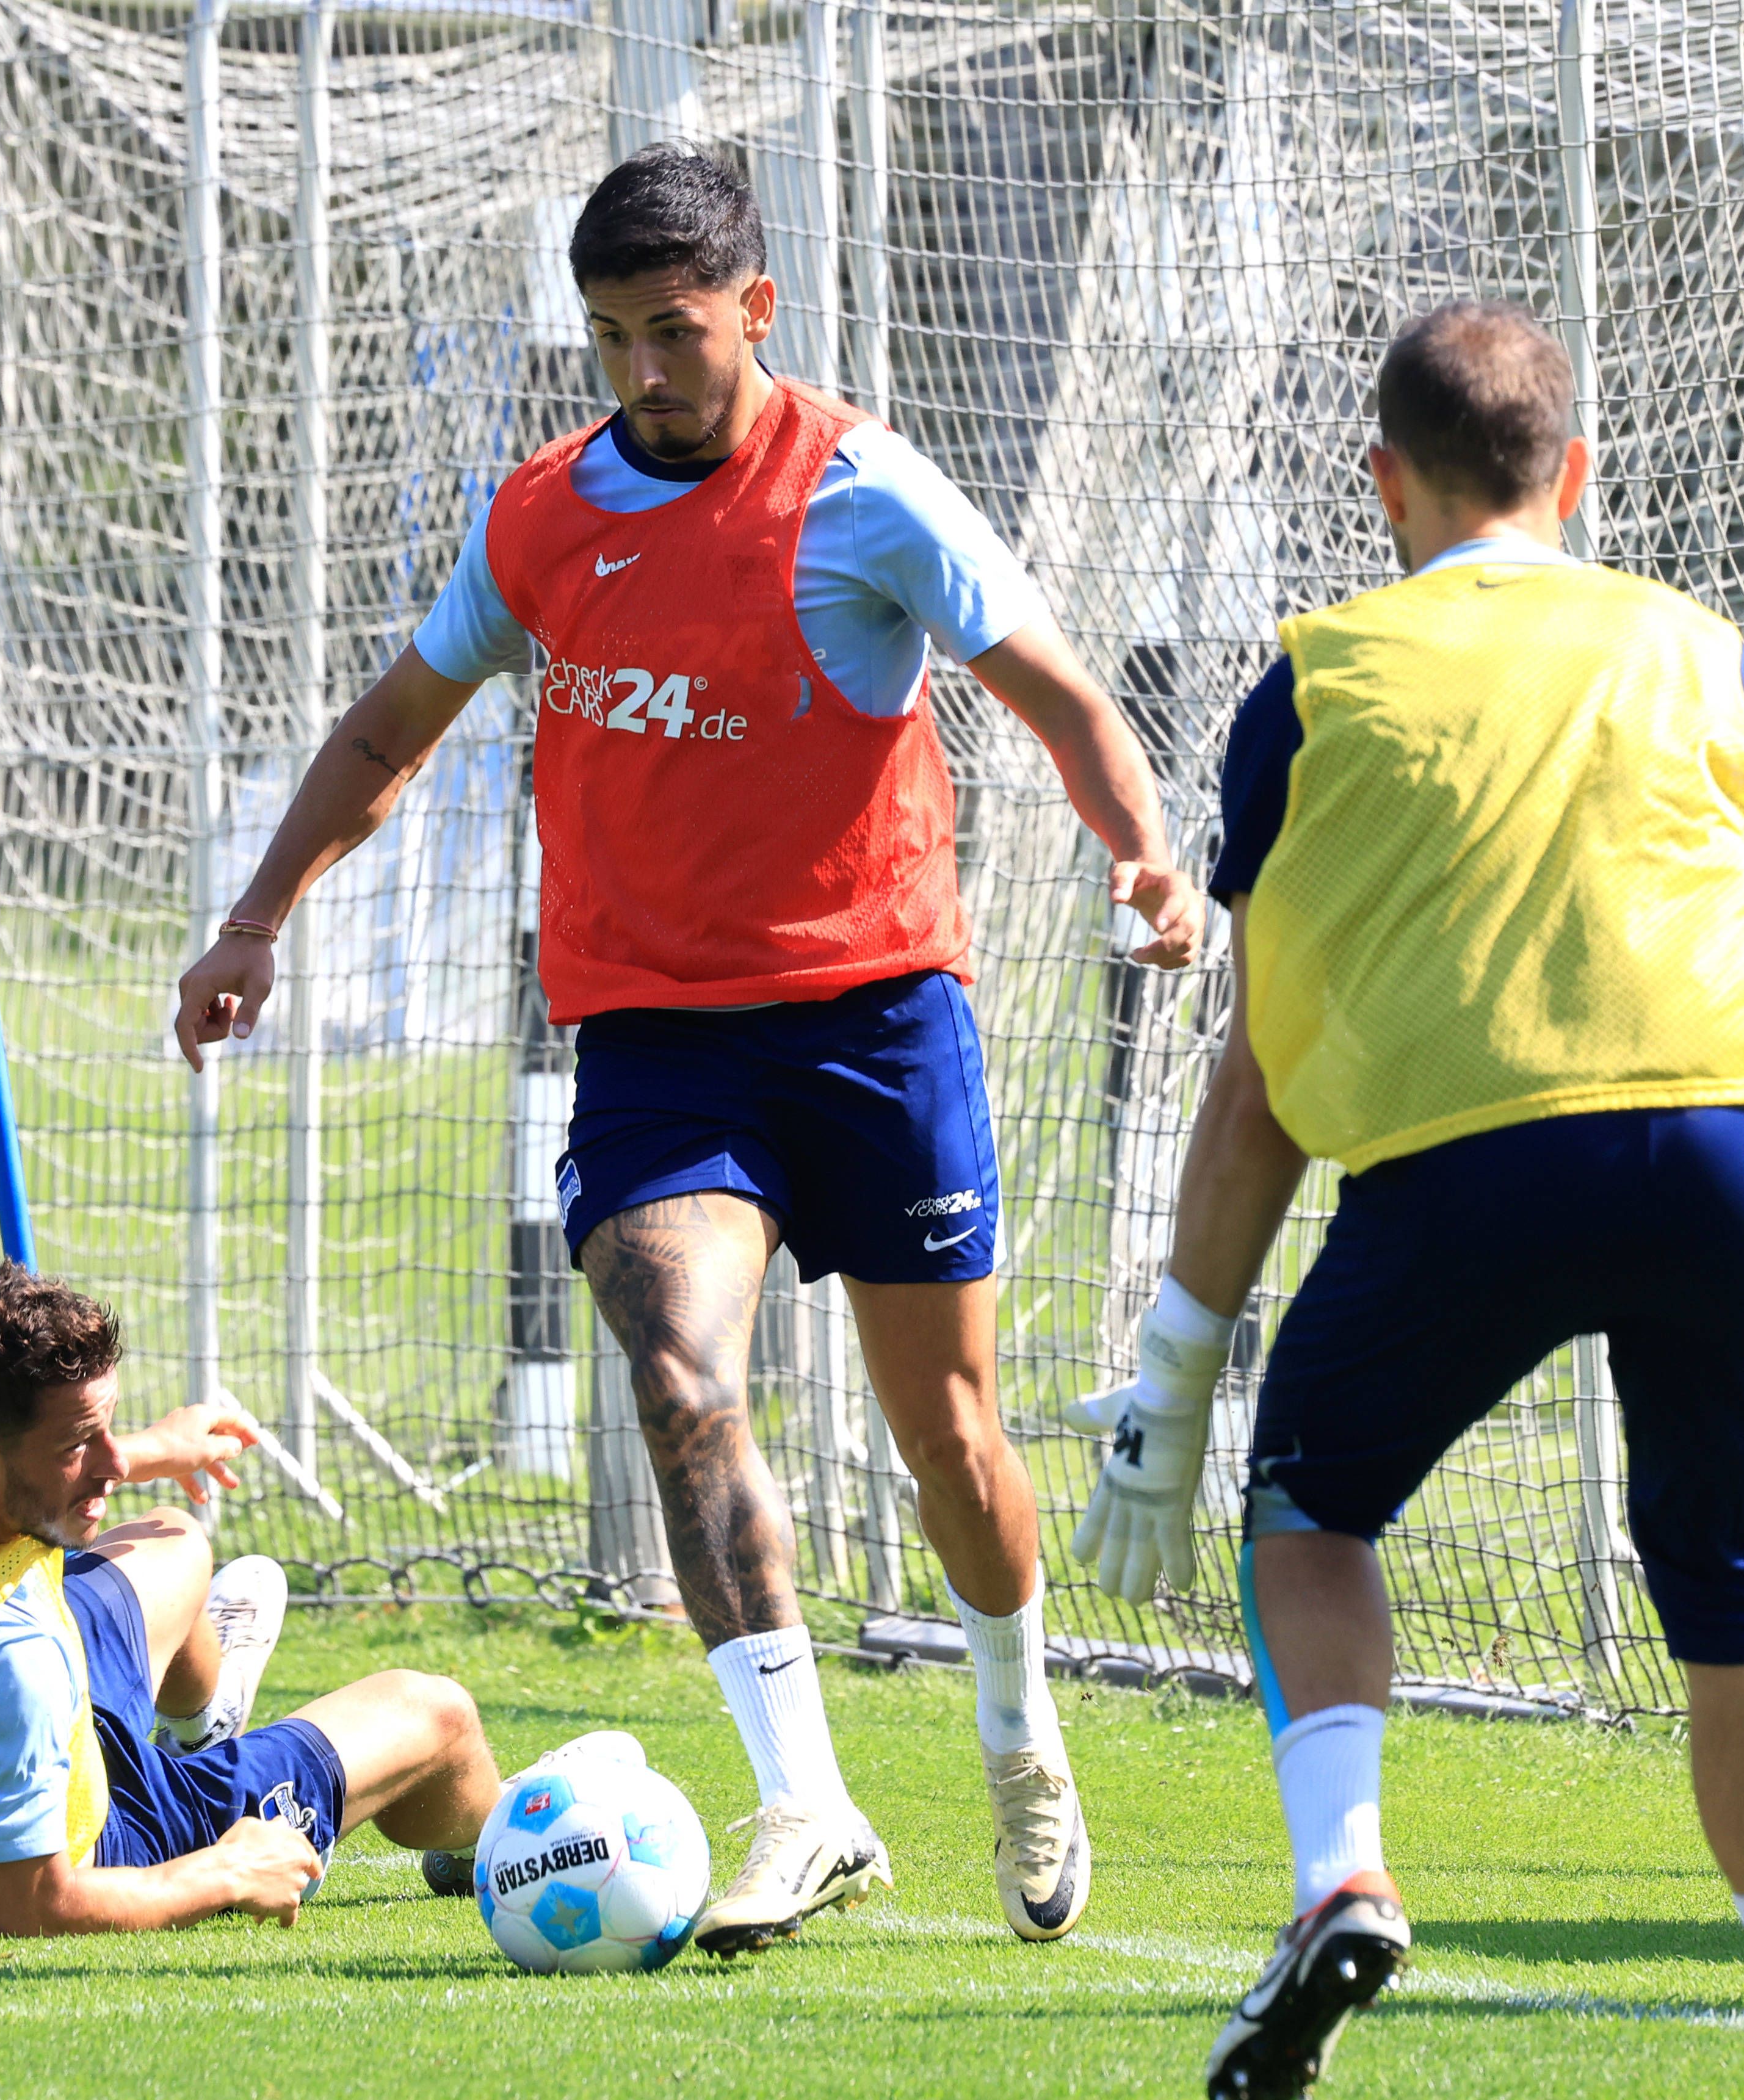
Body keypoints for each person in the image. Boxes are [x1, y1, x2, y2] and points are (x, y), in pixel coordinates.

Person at [173, 143, 1198, 1956]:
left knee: (945, 1438)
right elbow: (386, 729)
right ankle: (805, 1800)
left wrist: (1142, 858)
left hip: (881, 1020)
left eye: (675, 331)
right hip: (656, 1039)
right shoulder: (543, 519)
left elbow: (1059, 693)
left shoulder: (864, 491)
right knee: (681, 1378)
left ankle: (1019, 1726)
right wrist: (258, 920)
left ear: (754, 311)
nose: (644, 373)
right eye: (611, 339)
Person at [1068, 300, 1744, 2100]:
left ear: (1383, 486)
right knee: (1739, 1602)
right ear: (1573, 474)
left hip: (1480, 1160)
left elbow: (1261, 1077)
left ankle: (1342, 1869)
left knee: (1314, 1507)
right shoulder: (1705, 649)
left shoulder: (1318, 677)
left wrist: (1178, 1380)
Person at [0, 1266, 502, 1936]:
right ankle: (504, 1844)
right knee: (438, 1714)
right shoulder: (5, 1664)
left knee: (176, 1540)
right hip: (97, 1834)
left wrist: (155, 1451)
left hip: (10, 1713)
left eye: (108, 1425)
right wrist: (225, 1871)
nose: (110, 1460)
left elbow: (23, 1469)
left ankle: (204, 1728)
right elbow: (29, 1905)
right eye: (82, 1444)